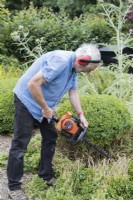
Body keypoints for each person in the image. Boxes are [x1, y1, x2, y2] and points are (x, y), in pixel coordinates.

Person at [7, 43, 101, 200]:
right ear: (82, 61)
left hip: (44, 104)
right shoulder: (61, 60)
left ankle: (45, 175)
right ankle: (14, 187)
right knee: (20, 143)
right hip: (27, 101)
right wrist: (45, 108)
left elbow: (73, 92)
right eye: (88, 69)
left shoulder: (74, 70)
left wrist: (81, 114)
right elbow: (33, 83)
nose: (87, 73)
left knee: (50, 136)